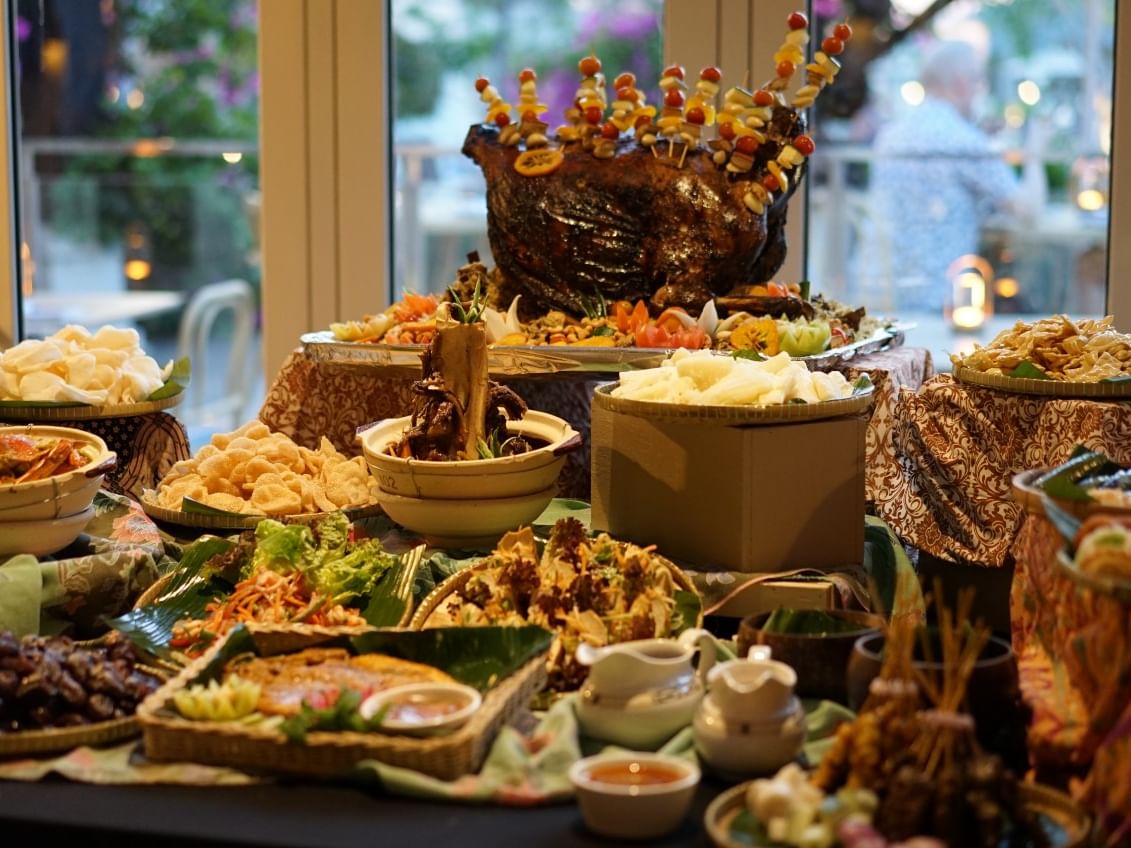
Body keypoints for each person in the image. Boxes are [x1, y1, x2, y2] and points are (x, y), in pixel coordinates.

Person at [869, 40, 1045, 313]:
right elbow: (1029, 211)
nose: (981, 90)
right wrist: (1035, 152)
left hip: (879, 292)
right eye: (979, 81)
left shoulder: (889, 136)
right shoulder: (964, 141)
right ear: (962, 82)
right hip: (940, 299)